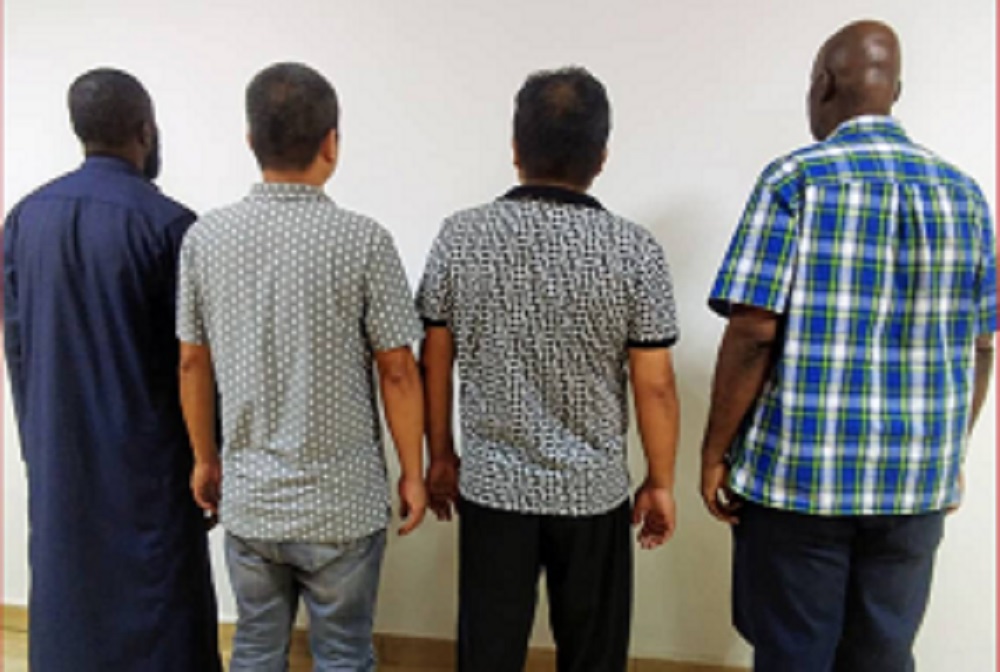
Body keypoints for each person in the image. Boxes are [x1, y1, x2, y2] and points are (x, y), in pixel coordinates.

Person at [700, 20, 996, 672]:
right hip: (915, 480)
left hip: (799, 479)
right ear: (897, 91)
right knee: (884, 653)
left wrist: (715, 452)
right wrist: (951, 451)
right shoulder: (965, 194)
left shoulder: (794, 181)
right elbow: (981, 345)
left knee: (793, 652)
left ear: (824, 84)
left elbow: (753, 332)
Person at [417, 67, 681, 672]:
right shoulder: (635, 250)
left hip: (493, 486)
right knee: (593, 654)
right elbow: (657, 386)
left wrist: (441, 454)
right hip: (592, 491)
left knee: (488, 651)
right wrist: (660, 481)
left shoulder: (460, 237)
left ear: (515, 148)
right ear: (602, 155)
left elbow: (435, 358)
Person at [177, 62, 427, 672]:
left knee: (256, 649)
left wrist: (204, 458)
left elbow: (191, 362)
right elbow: (398, 370)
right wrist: (413, 472)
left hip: (251, 499)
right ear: (331, 143)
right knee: (343, 654)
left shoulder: (205, 239)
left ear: (250, 140)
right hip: (341, 504)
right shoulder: (364, 240)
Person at [2, 68, 220, 672]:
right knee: (161, 608)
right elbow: (195, 359)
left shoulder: (23, 220)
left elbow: (17, 347)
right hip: (150, 462)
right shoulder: (171, 226)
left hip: (59, 454)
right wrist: (210, 453)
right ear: (146, 130)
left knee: (69, 597)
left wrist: (36, 445)